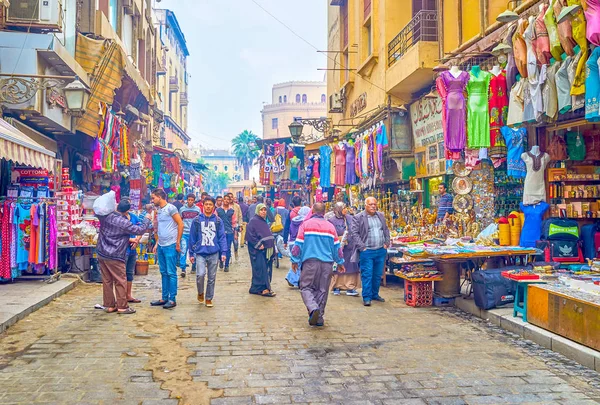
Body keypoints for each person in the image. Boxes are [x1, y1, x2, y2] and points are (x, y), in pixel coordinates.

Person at [291, 203, 345, 327]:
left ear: (313, 211)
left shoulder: (305, 225)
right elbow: (337, 247)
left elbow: (298, 245)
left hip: (310, 262)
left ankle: (313, 307)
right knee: (323, 290)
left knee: (306, 287)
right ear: (324, 212)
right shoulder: (330, 227)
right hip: (327, 264)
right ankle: (319, 317)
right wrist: (340, 262)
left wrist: (294, 260)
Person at [97, 198, 152, 314]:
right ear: (127, 211)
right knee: (120, 280)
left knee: (107, 280)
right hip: (115, 254)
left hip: (102, 252)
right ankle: (122, 306)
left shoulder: (106, 216)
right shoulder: (123, 222)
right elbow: (139, 229)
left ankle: (109, 305)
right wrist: (147, 220)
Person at [350, 197, 391, 307]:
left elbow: (385, 229)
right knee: (367, 274)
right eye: (371, 204)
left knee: (377, 274)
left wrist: (387, 242)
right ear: (365, 205)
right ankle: (367, 297)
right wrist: (362, 247)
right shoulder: (358, 217)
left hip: (380, 250)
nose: (373, 206)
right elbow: (354, 233)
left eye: (375, 204)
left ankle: (374, 294)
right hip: (367, 251)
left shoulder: (380, 215)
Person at [188, 197, 227, 308]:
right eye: (206, 204)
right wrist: (191, 253)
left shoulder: (218, 221)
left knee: (212, 277)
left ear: (214, 206)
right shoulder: (197, 220)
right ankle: (200, 292)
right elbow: (192, 237)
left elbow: (222, 237)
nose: (208, 206)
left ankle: (209, 298)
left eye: (210, 204)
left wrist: (223, 252)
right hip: (200, 252)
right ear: (203, 206)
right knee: (200, 275)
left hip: (214, 252)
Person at [150, 189, 184, 310]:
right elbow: (161, 228)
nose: (152, 200)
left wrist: (178, 241)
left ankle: (172, 298)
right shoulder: (159, 210)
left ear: (160, 197)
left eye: (153, 198)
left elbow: (180, 224)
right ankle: (164, 297)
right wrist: (157, 243)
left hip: (171, 244)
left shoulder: (171, 208)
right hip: (161, 245)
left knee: (171, 272)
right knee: (163, 272)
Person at [328, 202, 360, 296]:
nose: (345, 210)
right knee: (338, 266)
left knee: (351, 266)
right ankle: (336, 287)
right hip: (338, 247)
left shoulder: (350, 218)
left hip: (350, 247)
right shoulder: (331, 221)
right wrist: (339, 238)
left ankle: (350, 287)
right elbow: (330, 233)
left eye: (346, 208)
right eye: (343, 208)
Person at [246, 204, 276, 297]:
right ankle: (261, 288)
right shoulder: (253, 221)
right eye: (261, 210)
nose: (263, 212)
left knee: (265, 269)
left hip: (266, 251)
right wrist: (259, 245)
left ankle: (260, 288)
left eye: (265, 210)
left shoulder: (263, 221)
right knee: (260, 269)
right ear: (257, 211)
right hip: (257, 251)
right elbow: (250, 236)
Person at [284, 206, 311, 288]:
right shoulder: (305, 222)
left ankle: (292, 278)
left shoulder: (294, 220)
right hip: (300, 243)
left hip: (292, 243)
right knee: (300, 262)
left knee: (296, 262)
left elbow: (289, 230)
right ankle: (294, 279)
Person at [123, 202, 142, 303]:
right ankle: (121, 297)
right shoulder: (119, 218)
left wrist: (137, 240)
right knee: (121, 274)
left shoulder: (134, 217)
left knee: (130, 272)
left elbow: (140, 230)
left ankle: (128, 295)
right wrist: (132, 240)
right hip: (122, 249)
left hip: (132, 249)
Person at [179, 193, 201, 277]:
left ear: (194, 200)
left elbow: (199, 221)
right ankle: (183, 268)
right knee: (183, 250)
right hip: (184, 233)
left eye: (192, 200)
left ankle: (194, 266)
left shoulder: (197, 210)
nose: (190, 201)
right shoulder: (182, 209)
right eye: (189, 200)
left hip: (194, 234)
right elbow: (180, 221)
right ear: (186, 200)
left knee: (195, 251)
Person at [216, 195, 236, 272]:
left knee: (227, 248)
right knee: (220, 248)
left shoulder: (232, 211)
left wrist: (235, 233)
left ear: (230, 201)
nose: (226, 201)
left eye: (228, 199)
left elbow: (234, 223)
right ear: (223, 200)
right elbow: (215, 220)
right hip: (219, 232)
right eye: (225, 199)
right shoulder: (218, 210)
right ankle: (221, 260)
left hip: (229, 232)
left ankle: (226, 265)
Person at [228, 193, 243, 261]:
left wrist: (240, 225)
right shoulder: (224, 206)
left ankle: (236, 251)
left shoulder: (237, 206)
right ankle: (229, 256)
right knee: (227, 243)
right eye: (229, 197)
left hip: (235, 226)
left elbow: (240, 216)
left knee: (235, 242)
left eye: (231, 197)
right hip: (227, 226)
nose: (230, 198)